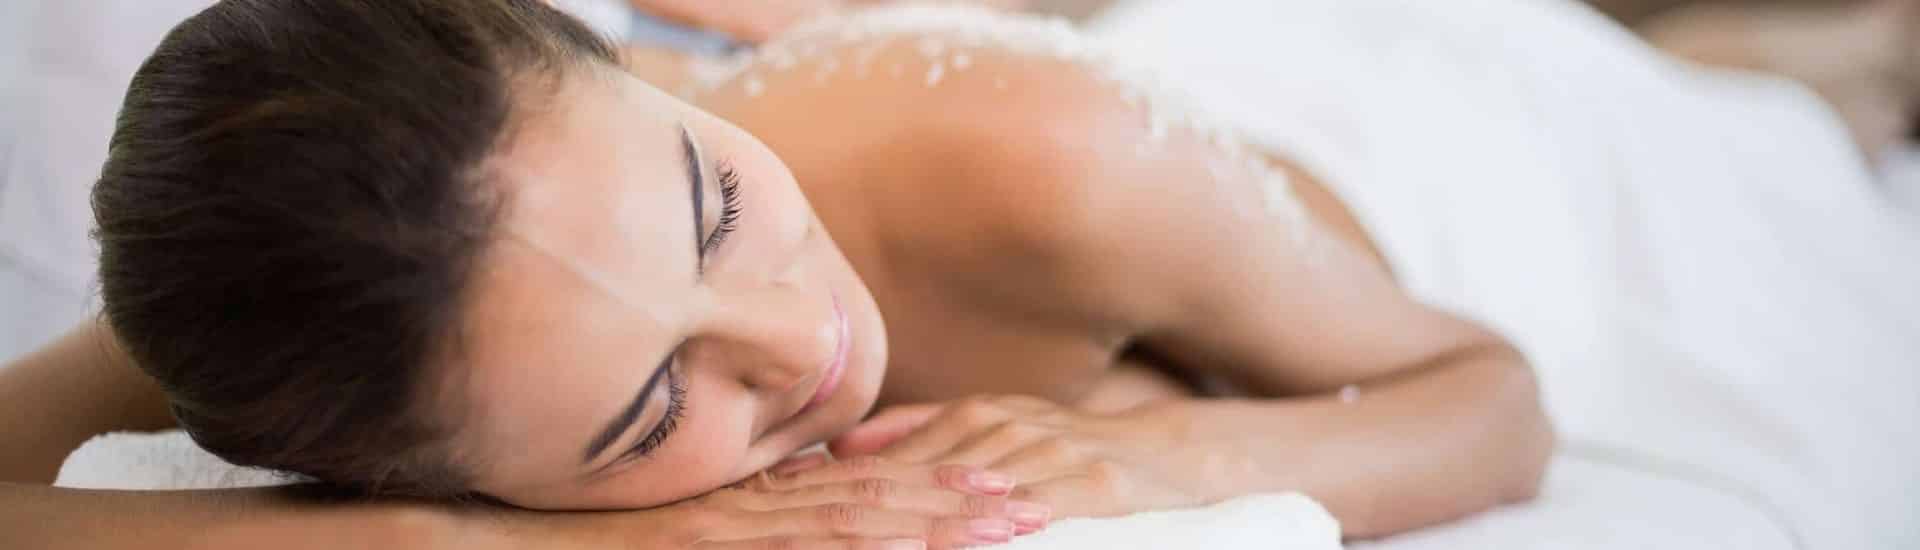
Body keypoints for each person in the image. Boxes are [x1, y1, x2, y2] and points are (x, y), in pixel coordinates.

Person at [2, 0, 1912, 548]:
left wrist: (1168, 465)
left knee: (1777, 128)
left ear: (608, 55)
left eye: (713, 207)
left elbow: (1495, 399)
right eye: (655, 409)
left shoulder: (1040, 169)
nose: (806, 344)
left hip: (1391, 187)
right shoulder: (310, 303)